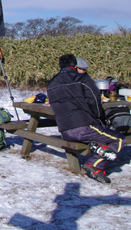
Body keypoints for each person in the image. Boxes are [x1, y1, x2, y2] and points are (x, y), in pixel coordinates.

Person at [47, 54, 125, 184]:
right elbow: (94, 101)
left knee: (98, 135)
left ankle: (100, 147)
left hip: (65, 130)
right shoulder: (82, 78)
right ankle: (94, 165)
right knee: (120, 139)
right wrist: (100, 120)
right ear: (75, 66)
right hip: (84, 126)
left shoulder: (51, 83)